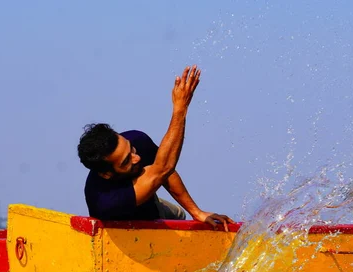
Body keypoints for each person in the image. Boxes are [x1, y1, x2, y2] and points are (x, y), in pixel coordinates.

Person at [77, 65, 235, 231]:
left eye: (131, 150)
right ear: (106, 174)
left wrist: (197, 212)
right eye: (125, 162)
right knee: (156, 189)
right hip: (126, 230)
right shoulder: (104, 200)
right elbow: (163, 169)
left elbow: (166, 171)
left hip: (152, 202)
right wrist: (180, 109)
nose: (136, 157)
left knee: (179, 215)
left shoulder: (136, 139)